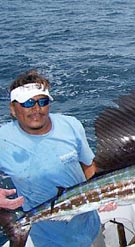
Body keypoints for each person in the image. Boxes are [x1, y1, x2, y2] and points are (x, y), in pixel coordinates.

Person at [0, 70, 116, 247]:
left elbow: (89, 166)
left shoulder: (71, 124)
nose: (36, 109)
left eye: (42, 101)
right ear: (13, 109)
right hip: (47, 237)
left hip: (89, 226)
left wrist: (103, 196)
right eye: (27, 103)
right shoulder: (3, 139)